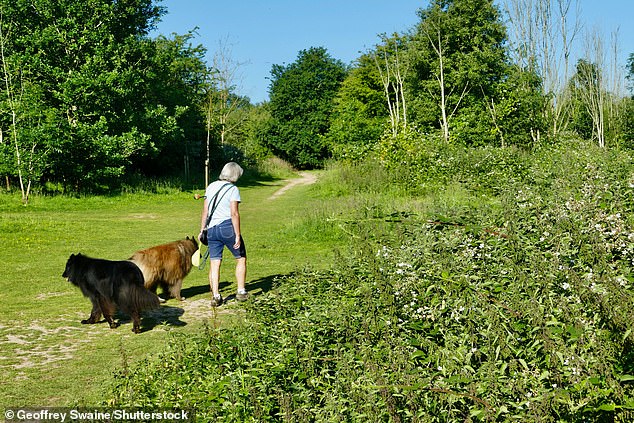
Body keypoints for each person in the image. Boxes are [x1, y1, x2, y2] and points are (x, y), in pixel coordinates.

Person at [199, 162, 247, 306]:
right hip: (227, 228)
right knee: (241, 258)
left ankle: (216, 296)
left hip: (212, 229)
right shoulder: (233, 189)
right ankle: (241, 292)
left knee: (215, 263)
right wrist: (237, 234)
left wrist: (202, 229)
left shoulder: (211, 186)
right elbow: (234, 213)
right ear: (235, 174)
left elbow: (205, 211)